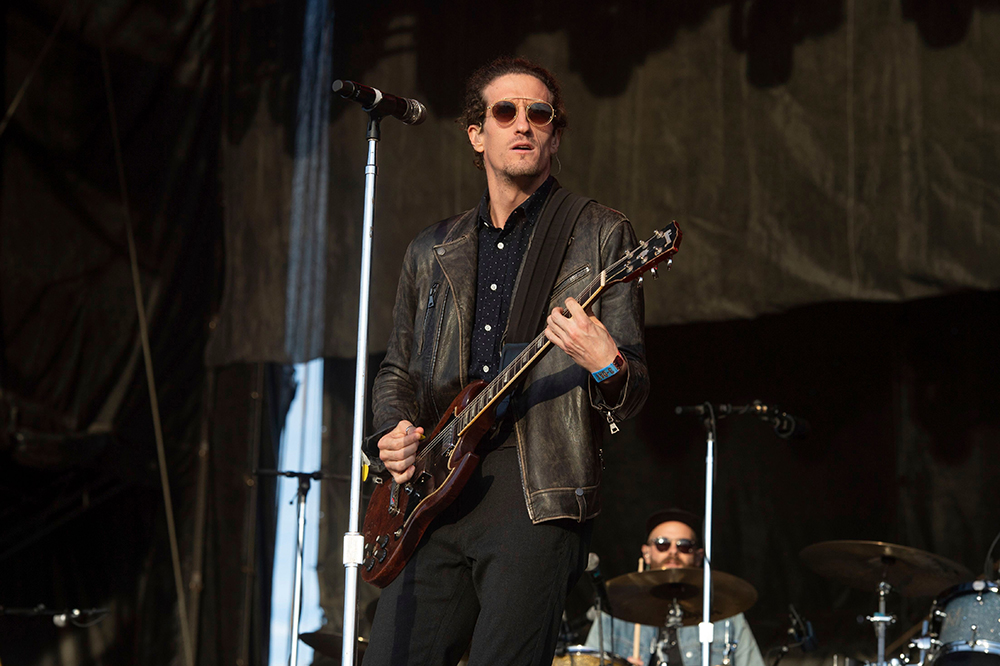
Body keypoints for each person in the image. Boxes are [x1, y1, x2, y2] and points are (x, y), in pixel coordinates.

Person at [361, 56, 650, 666]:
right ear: (477, 133)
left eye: (538, 113)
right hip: (434, 491)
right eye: (505, 111)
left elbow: (633, 388)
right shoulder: (433, 249)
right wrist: (392, 431)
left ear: (554, 132)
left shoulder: (598, 234)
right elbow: (398, 370)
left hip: (535, 492)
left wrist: (605, 362)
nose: (524, 123)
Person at [585, 509, 766, 666]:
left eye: (684, 546)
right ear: (646, 553)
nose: (673, 551)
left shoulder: (726, 613)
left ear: (698, 556)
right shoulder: (614, 611)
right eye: (662, 544)